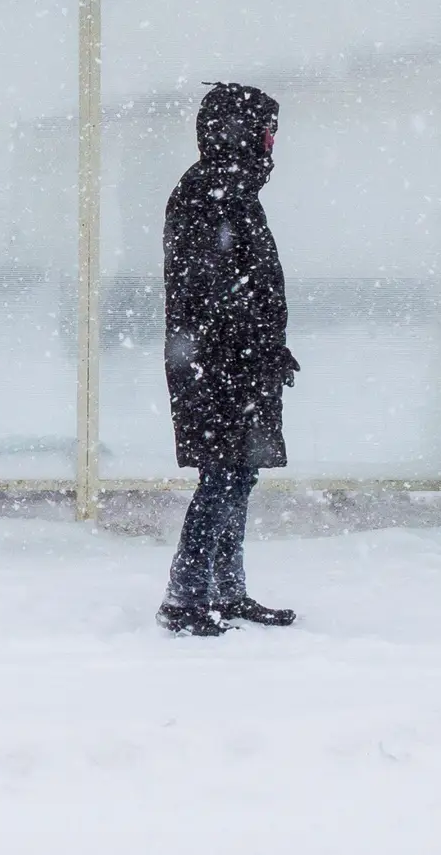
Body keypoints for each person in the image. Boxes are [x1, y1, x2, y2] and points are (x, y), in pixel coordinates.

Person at [156, 82, 300, 636]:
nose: (271, 143)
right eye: (266, 130)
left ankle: (226, 590)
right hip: (213, 365)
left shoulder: (233, 191)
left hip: (237, 361)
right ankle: (186, 597)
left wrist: (267, 346)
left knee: (239, 474)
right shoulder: (208, 192)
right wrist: (254, 345)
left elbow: (247, 287)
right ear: (240, 132)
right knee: (220, 475)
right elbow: (212, 291)